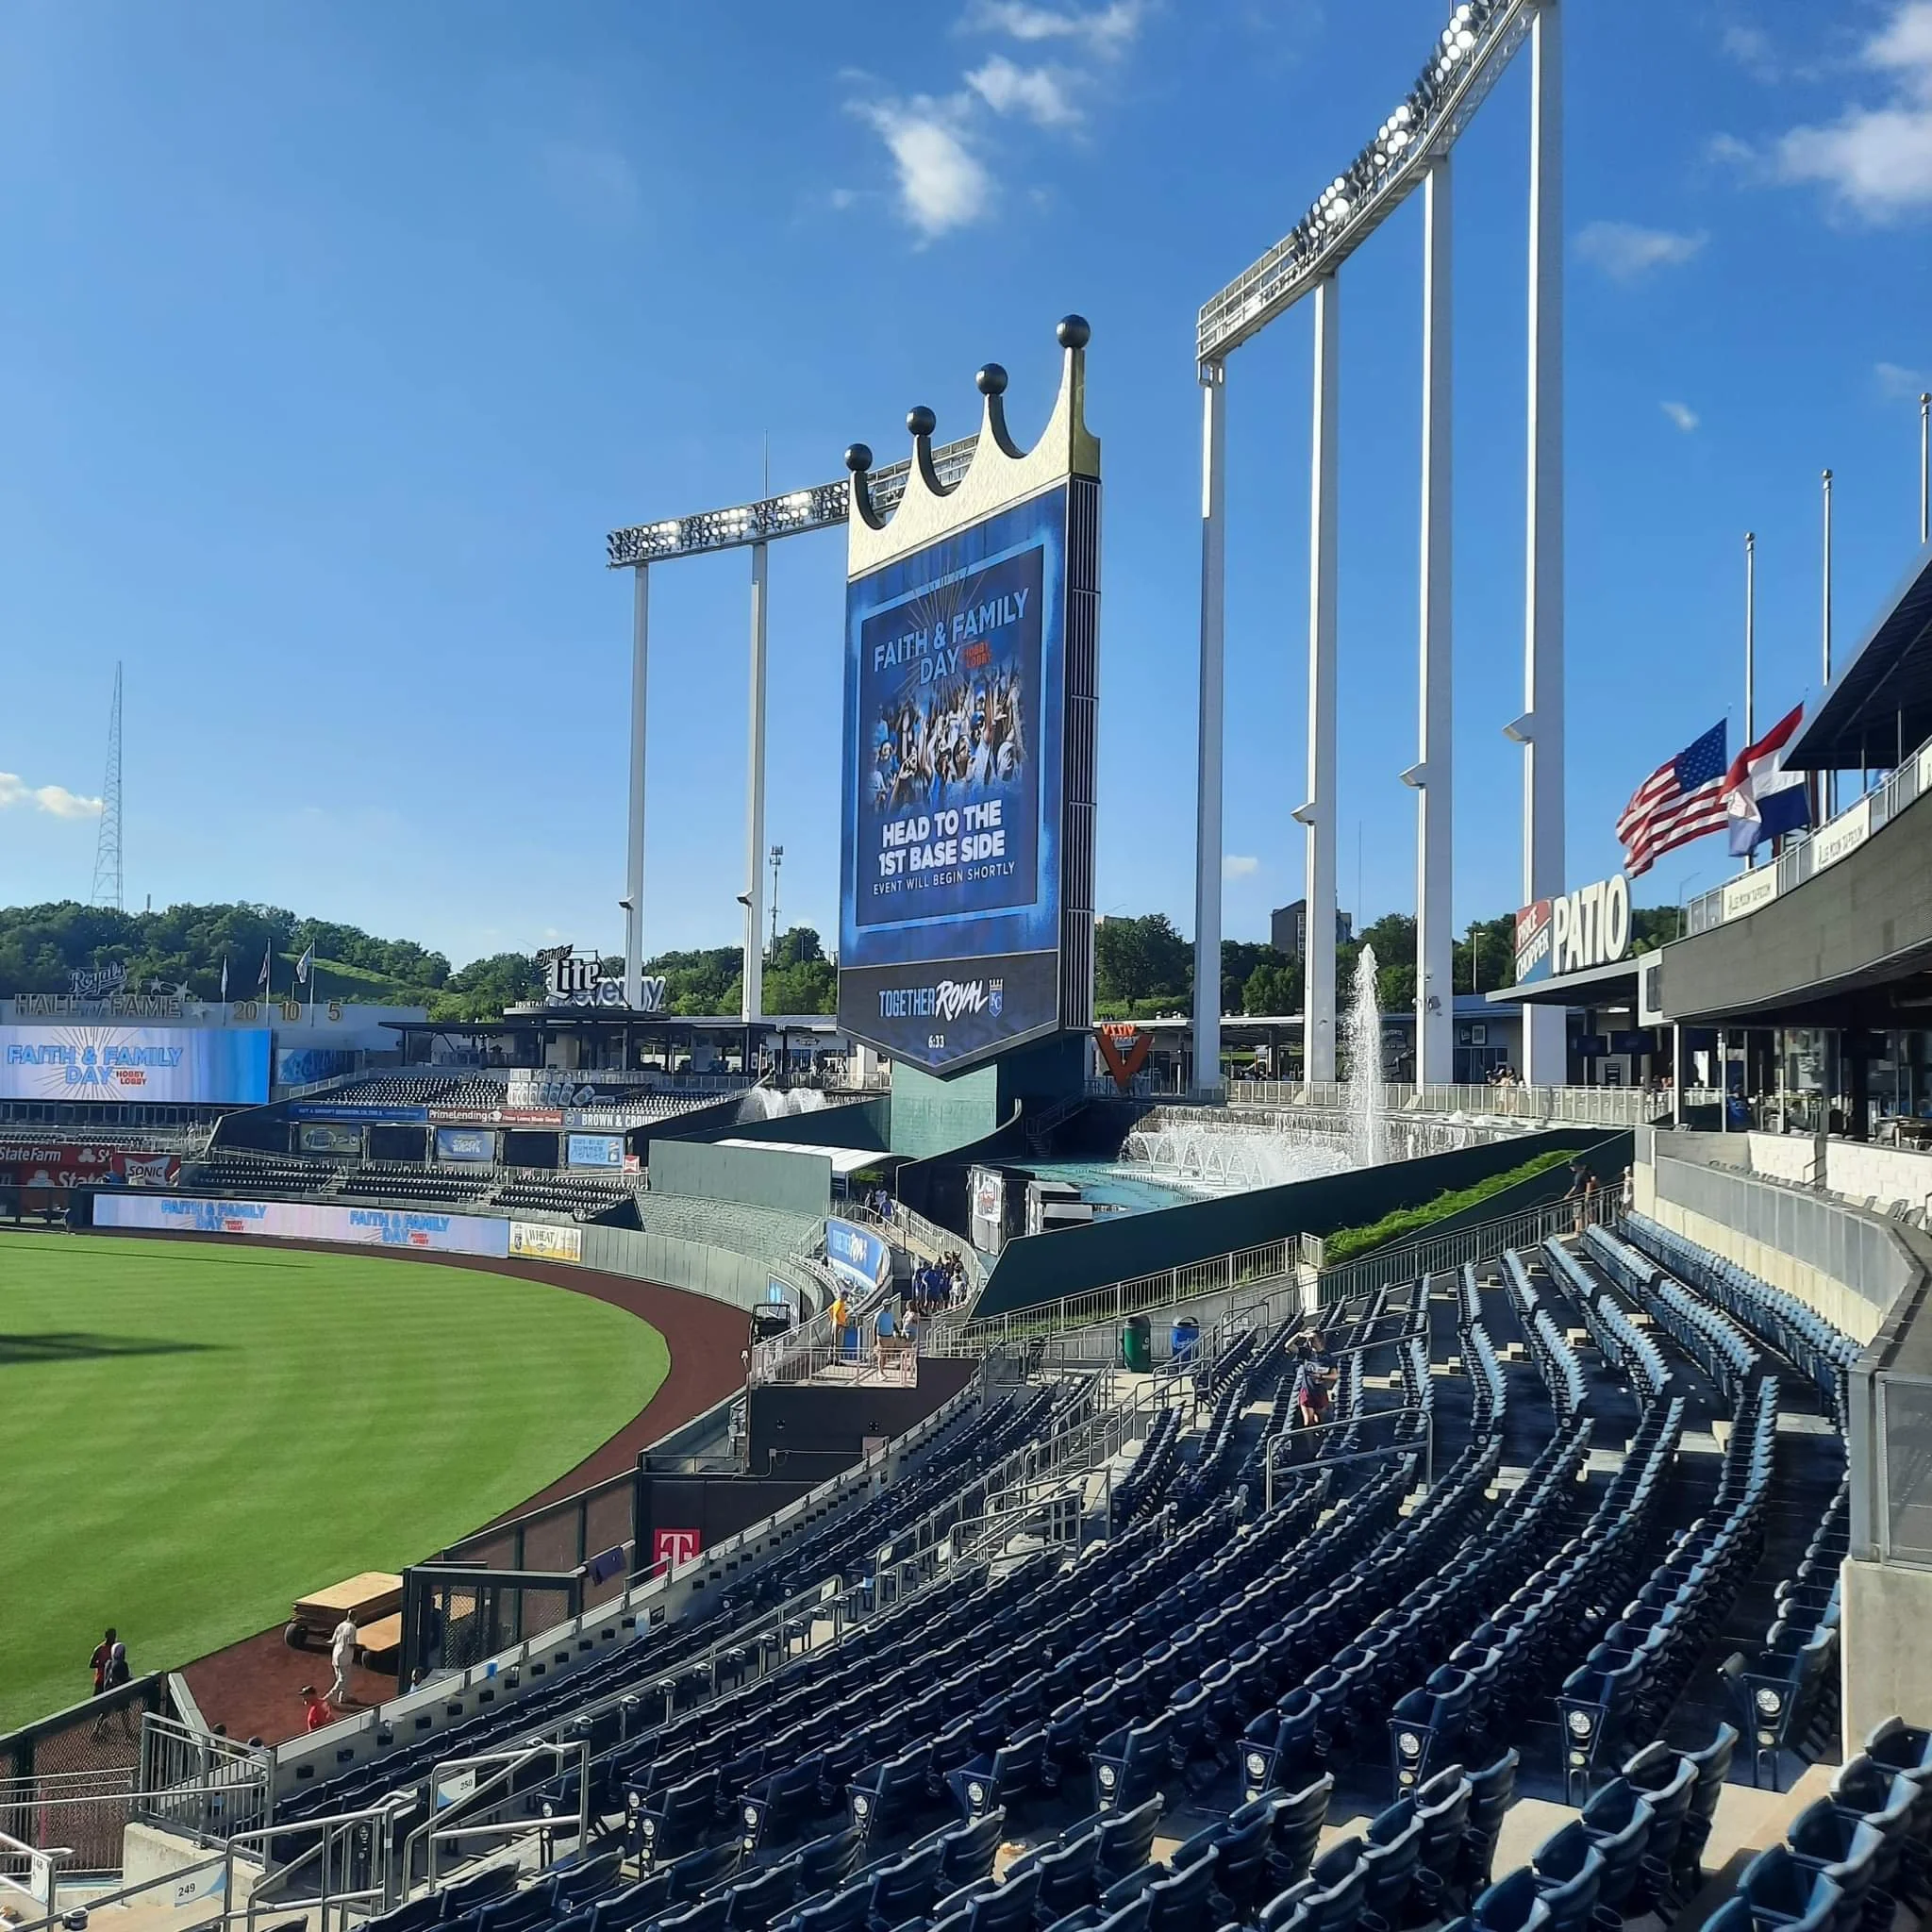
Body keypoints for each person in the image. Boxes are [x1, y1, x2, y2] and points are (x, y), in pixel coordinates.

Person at [91, 1640, 134, 1740]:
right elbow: (124, 1679)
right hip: (119, 1693)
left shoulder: (109, 1663)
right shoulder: (122, 1665)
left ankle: (96, 1731)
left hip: (108, 1692)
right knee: (124, 1712)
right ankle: (128, 1733)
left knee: (105, 1713)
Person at [328, 1612, 358, 1708]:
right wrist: (360, 1647)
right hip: (345, 1656)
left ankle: (343, 1697)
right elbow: (351, 1643)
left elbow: (333, 1640)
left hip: (335, 1654)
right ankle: (329, 1697)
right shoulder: (352, 1628)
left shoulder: (341, 1625)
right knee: (343, 1679)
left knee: (340, 1678)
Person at [90, 1626, 117, 1700]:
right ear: (106, 1636)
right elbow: (91, 1665)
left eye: (114, 1636)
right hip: (101, 1680)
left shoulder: (116, 1648)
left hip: (113, 1679)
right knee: (96, 1701)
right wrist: (103, 1664)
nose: (113, 1638)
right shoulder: (99, 1649)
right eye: (111, 1636)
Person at [874, 1298, 897, 1370]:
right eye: (888, 1305)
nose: (890, 1306)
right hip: (882, 1337)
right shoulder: (879, 1313)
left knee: (887, 1355)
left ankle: (882, 1368)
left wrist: (898, 1331)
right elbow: (875, 1325)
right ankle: (880, 1371)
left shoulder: (890, 1313)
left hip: (889, 1336)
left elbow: (893, 1323)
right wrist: (874, 1338)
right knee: (881, 1354)